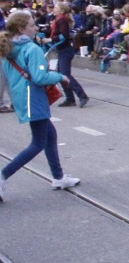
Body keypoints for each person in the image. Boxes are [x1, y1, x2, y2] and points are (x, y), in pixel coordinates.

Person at [0, 11, 80, 200]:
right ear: (21, 28)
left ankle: (59, 177)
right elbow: (40, 77)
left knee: (50, 136)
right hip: (33, 96)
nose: (36, 28)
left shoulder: (8, 48)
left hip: (22, 96)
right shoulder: (31, 48)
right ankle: (3, 175)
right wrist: (61, 76)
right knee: (38, 143)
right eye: (32, 25)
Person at [49, 2, 89, 108]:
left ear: (61, 11)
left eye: (56, 7)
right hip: (62, 50)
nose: (54, 9)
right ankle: (70, 99)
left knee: (65, 75)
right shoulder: (58, 19)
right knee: (61, 75)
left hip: (65, 50)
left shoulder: (62, 20)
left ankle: (82, 96)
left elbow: (64, 35)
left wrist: (50, 39)